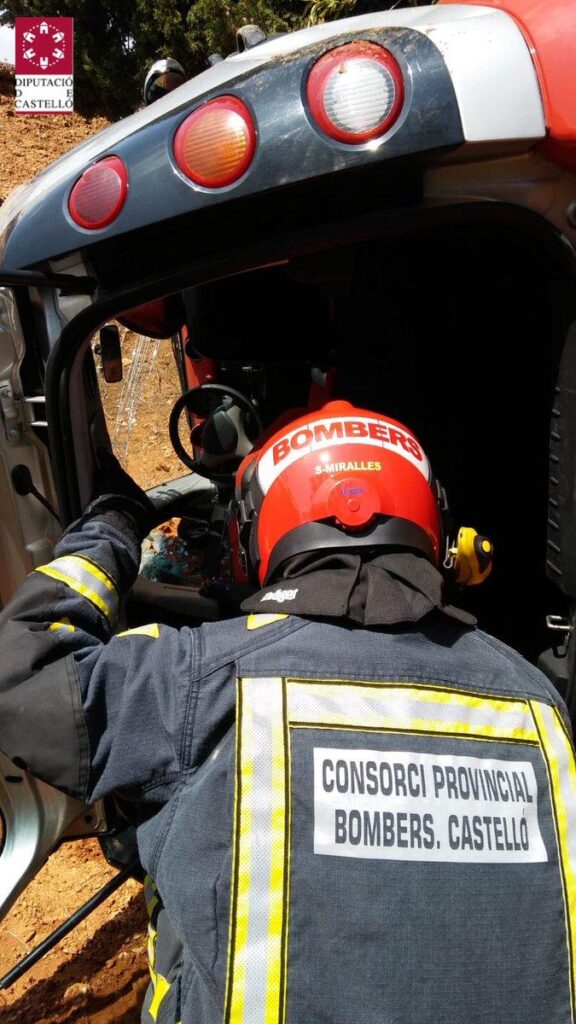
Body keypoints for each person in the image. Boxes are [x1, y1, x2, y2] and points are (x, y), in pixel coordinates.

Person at [0, 399, 575, 1024]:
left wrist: (114, 521)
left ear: (252, 533)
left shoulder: (201, 680)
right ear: (438, 527)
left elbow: (24, 668)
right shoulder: (538, 701)